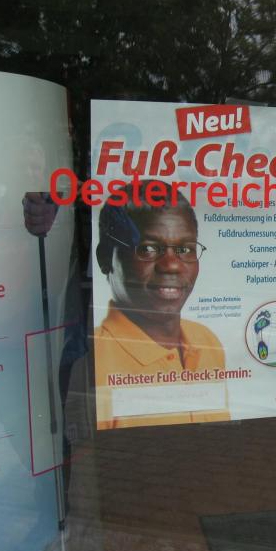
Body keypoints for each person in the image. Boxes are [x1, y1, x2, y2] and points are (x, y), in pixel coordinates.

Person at [93, 180, 229, 429]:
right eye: (147, 249)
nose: (172, 265)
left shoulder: (207, 342)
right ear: (105, 258)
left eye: (185, 249)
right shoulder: (96, 360)